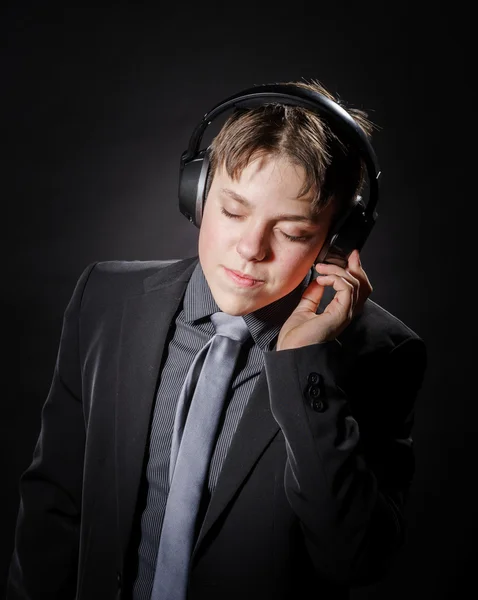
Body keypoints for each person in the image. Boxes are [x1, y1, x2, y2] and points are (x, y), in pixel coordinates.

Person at [7, 79, 427, 600]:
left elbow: (354, 559)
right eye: (233, 211)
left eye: (293, 232)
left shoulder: (383, 354)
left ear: (338, 240)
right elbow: (54, 505)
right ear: (196, 195)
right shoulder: (104, 301)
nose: (251, 248)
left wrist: (303, 364)